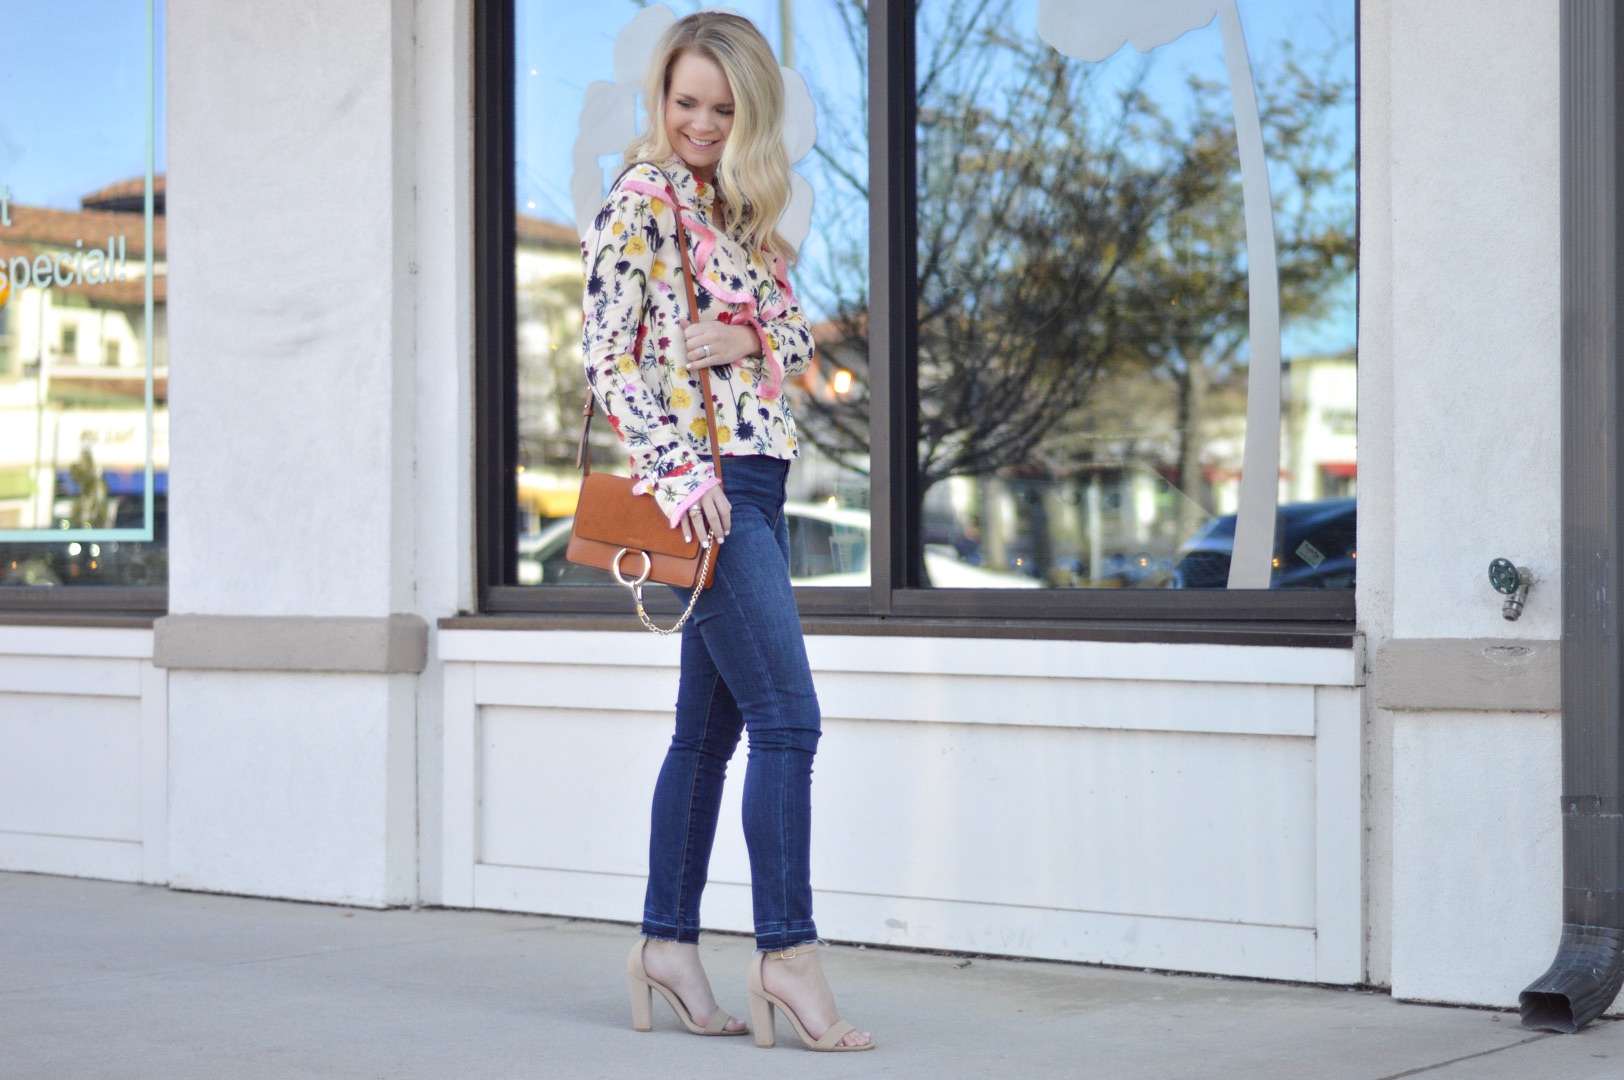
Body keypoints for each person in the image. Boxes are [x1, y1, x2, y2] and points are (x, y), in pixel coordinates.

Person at [578, 10, 874, 1054]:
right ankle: (787, 954)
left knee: (706, 738)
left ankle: (666, 943)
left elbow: (794, 335)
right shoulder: (641, 201)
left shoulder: (743, 210)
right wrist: (677, 476)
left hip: (759, 481)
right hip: (709, 493)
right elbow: (607, 358)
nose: (700, 124)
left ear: (749, 113)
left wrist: (744, 331)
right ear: (661, 100)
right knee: (788, 720)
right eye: (685, 102)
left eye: (721, 107)